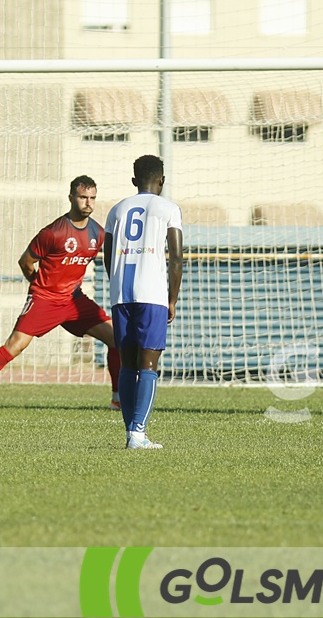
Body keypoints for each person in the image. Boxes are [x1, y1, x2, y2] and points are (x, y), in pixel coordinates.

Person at [0, 176, 121, 411]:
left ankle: (117, 399)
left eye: (92, 198)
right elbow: (26, 262)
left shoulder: (98, 233)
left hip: (74, 301)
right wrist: (38, 287)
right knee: (16, 345)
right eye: (83, 197)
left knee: (117, 338)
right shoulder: (53, 232)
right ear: (71, 198)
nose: (88, 203)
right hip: (44, 299)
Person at [103, 155, 183, 449]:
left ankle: (130, 433)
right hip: (152, 294)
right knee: (149, 362)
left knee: (127, 363)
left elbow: (108, 255)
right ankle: (138, 433)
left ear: (134, 180)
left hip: (121, 294)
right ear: (161, 181)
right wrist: (172, 299)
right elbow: (176, 258)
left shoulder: (117, 209)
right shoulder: (169, 208)